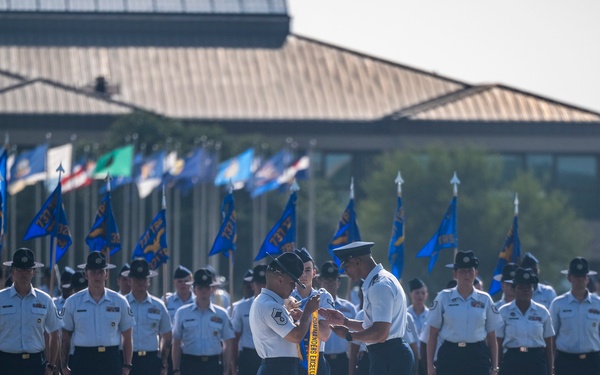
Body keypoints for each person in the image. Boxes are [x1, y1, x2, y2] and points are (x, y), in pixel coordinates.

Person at [320, 241, 414, 375]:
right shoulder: (378, 282)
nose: (345, 271)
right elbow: (373, 326)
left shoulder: (380, 286)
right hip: (386, 354)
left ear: (357, 261)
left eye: (346, 266)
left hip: (389, 356)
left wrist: (349, 335)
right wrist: (346, 322)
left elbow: (380, 333)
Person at [426, 250, 502, 375]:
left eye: (470, 271)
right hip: (450, 355)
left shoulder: (485, 299)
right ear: (455, 274)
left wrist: (495, 367)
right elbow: (433, 334)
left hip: (477, 355)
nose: (466, 275)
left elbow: (492, 336)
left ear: (476, 273)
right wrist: (430, 367)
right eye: (462, 271)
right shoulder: (443, 297)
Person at [60, 251, 135, 375]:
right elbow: (65, 337)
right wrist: (64, 366)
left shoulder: (119, 301)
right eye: (93, 272)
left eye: (101, 272)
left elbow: (127, 337)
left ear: (106, 274)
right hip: (83, 359)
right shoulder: (72, 302)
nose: (97, 276)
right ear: (86, 274)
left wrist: (127, 365)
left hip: (110, 359)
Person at [249, 252, 320, 375]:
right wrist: (308, 312)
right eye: (292, 283)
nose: (293, 288)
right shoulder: (270, 306)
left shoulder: (268, 302)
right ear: (280, 280)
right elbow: (296, 336)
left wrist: (300, 318)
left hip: (280, 366)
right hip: (278, 368)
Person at [0, 248, 63, 375]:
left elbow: (55, 334)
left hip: (34, 364)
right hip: (6, 363)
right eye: (20, 270)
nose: (24, 274)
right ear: (12, 272)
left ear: (34, 272)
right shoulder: (1, 298)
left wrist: (51, 366)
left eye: (28, 270)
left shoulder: (45, 300)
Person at [171, 268, 235, 375]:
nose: (203, 290)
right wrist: (176, 369)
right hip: (190, 364)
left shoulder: (221, 314)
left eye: (207, 287)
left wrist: (226, 369)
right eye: (200, 287)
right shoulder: (182, 313)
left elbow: (228, 343)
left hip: (213, 365)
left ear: (212, 290)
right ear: (194, 290)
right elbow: (176, 342)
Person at [497, 268, 554, 375]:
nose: (525, 291)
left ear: (533, 290)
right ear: (514, 290)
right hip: (512, 360)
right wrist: (497, 368)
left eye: (529, 287)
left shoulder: (542, 312)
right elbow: (498, 344)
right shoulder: (504, 312)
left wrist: (550, 371)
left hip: (536, 360)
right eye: (521, 288)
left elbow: (549, 345)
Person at [550, 257, 600, 375]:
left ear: (587, 279)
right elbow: (552, 336)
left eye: (583, 276)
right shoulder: (558, 303)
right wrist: (551, 362)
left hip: (592, 361)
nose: (580, 279)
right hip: (566, 361)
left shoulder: (598, 303)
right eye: (576, 276)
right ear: (569, 278)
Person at [123, 258, 172, 375]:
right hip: (127, 359)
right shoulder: (121, 303)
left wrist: (164, 362)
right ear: (129, 281)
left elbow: (167, 336)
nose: (141, 282)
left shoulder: (158, 305)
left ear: (148, 281)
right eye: (137, 278)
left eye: (144, 279)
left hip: (151, 359)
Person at [290, 248, 334, 375]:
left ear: (314, 273)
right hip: (293, 358)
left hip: (316, 357)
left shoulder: (323, 297)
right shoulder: (286, 297)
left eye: (308, 270)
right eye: (299, 270)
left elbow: (325, 334)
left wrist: (303, 317)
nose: (303, 275)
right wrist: (312, 320)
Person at [319, 260, 357, 375]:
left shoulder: (349, 308)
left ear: (338, 282)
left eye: (333, 280)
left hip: (342, 360)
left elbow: (355, 336)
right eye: (326, 280)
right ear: (320, 282)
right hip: (321, 358)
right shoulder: (315, 307)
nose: (330, 283)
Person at [230, 265, 267, 375]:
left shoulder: (278, 305)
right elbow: (234, 339)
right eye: (258, 283)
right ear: (252, 285)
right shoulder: (241, 307)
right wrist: (233, 366)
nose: (262, 286)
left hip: (269, 356)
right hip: (249, 356)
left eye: (265, 282)